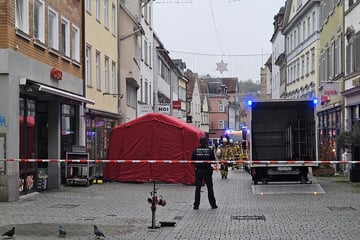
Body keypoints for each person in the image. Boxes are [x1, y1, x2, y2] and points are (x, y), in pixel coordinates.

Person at [191, 137, 218, 210]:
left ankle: (196, 205)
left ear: (200, 142)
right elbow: (213, 161)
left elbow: (192, 161)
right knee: (210, 188)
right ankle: (213, 205)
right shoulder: (210, 150)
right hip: (208, 171)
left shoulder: (195, 151)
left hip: (199, 171)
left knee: (198, 188)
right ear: (206, 142)